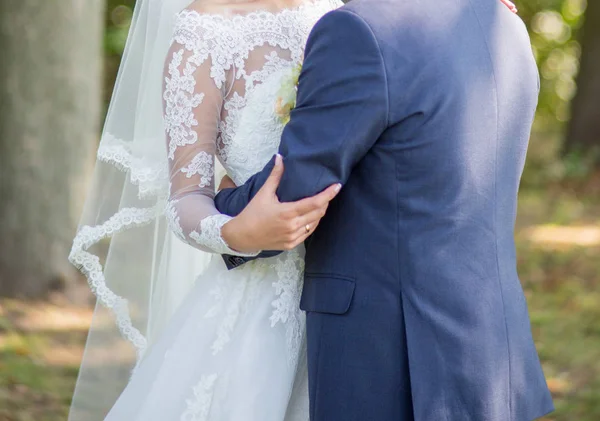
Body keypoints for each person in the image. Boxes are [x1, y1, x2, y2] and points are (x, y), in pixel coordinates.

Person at [67, 0, 550, 420]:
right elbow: (185, 198)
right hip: (270, 306)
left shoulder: (352, 20)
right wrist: (235, 229)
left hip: (366, 307)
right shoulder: (204, 31)